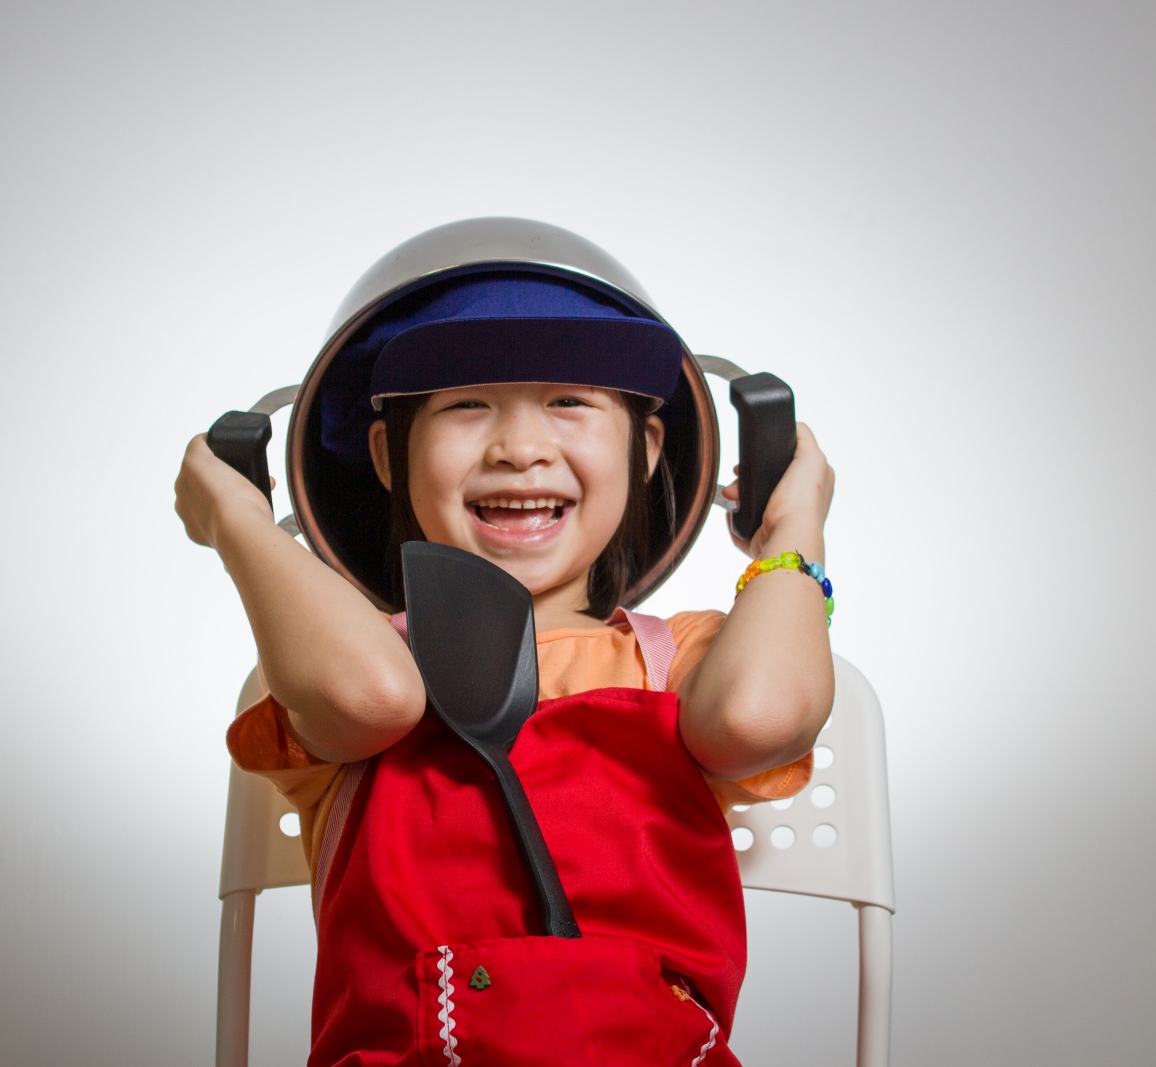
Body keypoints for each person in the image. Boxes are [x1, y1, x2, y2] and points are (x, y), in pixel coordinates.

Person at [175, 250, 835, 1066]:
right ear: (387, 458)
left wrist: (794, 524)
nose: (520, 447)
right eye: (466, 404)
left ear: (649, 445)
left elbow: (757, 716)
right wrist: (238, 521)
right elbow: (369, 698)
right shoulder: (347, 660)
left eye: (568, 401)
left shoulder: (686, 660)